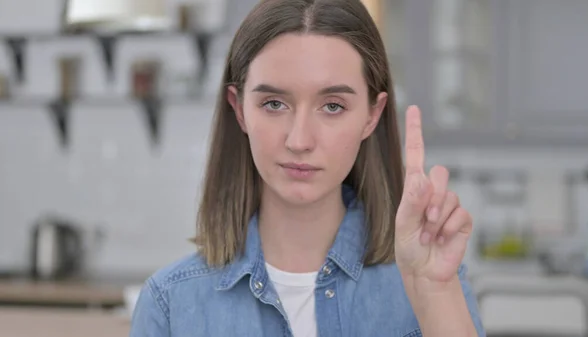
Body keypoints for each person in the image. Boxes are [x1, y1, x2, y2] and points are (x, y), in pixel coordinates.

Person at [130, 0, 486, 336]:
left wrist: (435, 295)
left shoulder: (431, 279)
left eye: (332, 106)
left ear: (371, 116)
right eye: (273, 103)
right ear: (239, 109)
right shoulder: (170, 304)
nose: (299, 140)